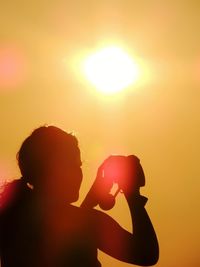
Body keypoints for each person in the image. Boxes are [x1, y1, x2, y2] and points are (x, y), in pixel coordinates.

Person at [0, 126, 159, 267]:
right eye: (73, 165)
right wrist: (132, 193)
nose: (78, 173)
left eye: (79, 166)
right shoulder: (88, 223)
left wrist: (89, 201)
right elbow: (146, 254)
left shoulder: (11, 218)